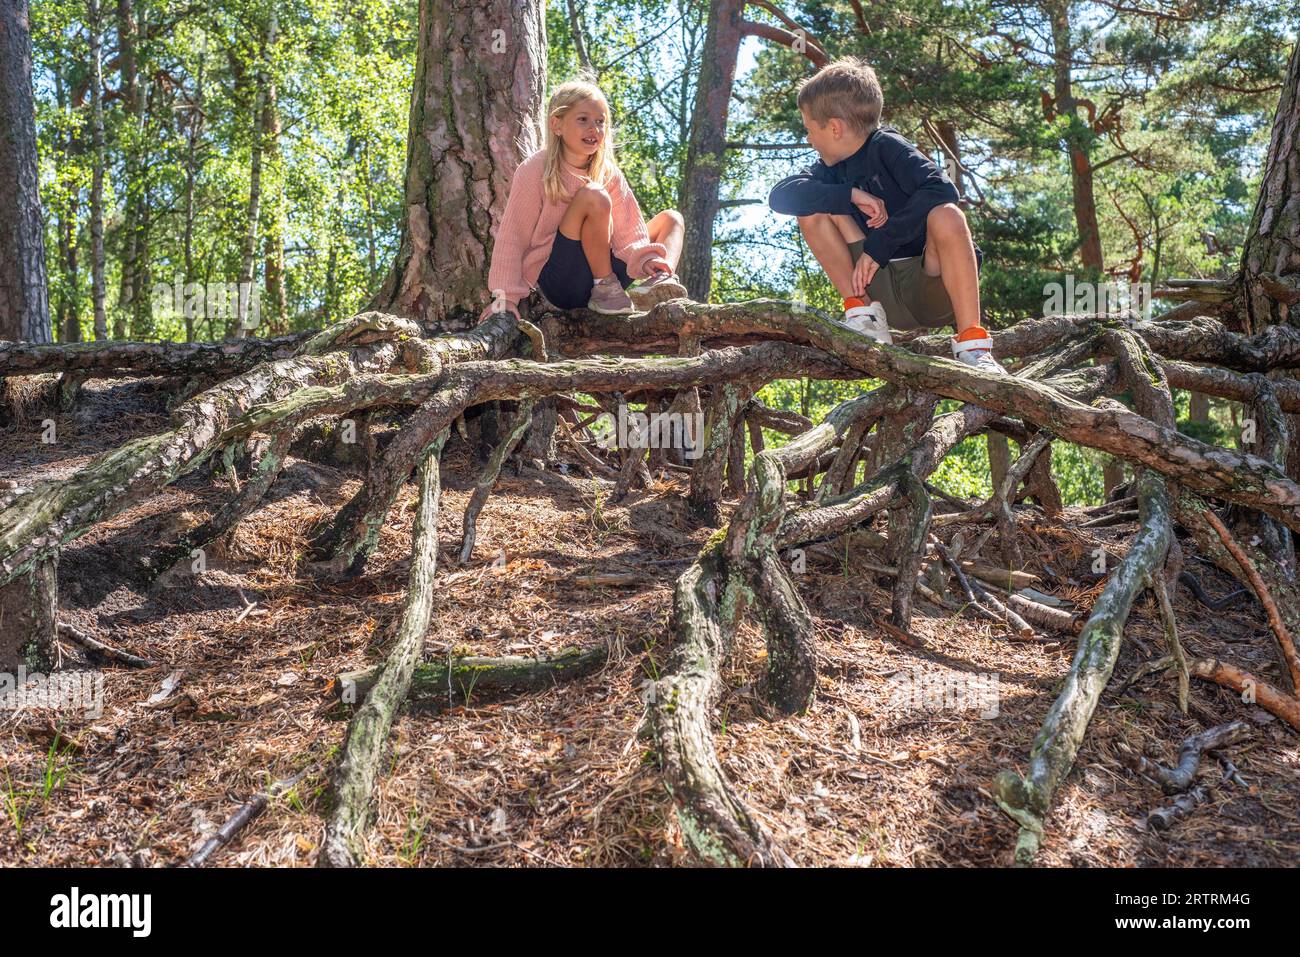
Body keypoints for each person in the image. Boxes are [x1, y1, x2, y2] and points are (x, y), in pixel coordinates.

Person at [768, 57, 1005, 374]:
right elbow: (780, 196)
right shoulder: (827, 169)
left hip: (931, 288)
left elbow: (943, 189)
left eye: (810, 130)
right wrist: (849, 194)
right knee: (810, 210)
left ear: (835, 127)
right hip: (876, 292)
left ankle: (973, 347)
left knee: (947, 215)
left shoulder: (888, 146)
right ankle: (863, 316)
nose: (809, 139)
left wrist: (880, 244)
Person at [485, 79, 686, 318]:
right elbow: (513, 236)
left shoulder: (608, 172)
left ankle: (660, 282)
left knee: (672, 219)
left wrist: (647, 260)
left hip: (609, 268)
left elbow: (629, 231)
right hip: (564, 281)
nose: (594, 129)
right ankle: (604, 288)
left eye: (600, 122)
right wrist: (505, 297)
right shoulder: (535, 169)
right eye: (583, 120)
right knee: (593, 196)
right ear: (556, 125)